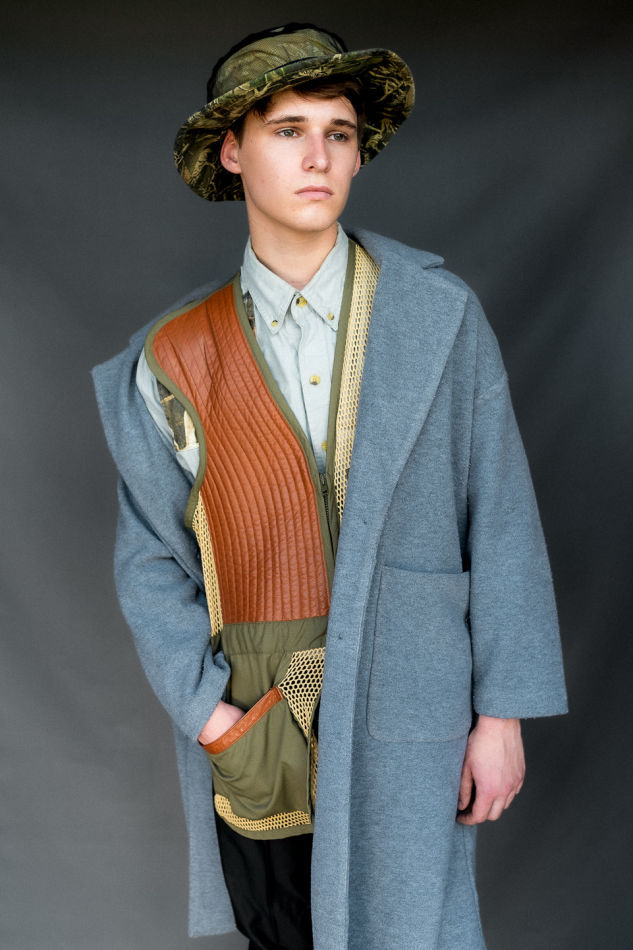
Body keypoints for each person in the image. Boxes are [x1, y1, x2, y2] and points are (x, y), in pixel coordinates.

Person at [92, 22, 567, 950]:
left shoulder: (439, 314)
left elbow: (501, 515)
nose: (318, 157)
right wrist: (210, 715)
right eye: (287, 130)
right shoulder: (172, 355)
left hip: (413, 703)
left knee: (415, 933)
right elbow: (150, 559)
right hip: (261, 713)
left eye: (338, 133)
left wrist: (501, 716)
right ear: (233, 151)